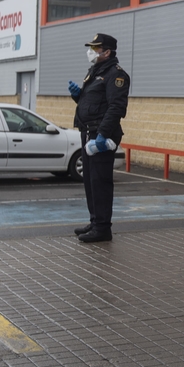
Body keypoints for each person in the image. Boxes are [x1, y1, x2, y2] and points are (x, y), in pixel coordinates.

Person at [69, 33, 130, 243]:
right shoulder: (95, 71)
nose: (92, 52)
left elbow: (116, 107)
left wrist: (103, 135)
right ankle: (95, 221)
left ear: (107, 52)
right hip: (88, 132)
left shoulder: (116, 75)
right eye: (92, 48)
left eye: (96, 49)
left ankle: (103, 228)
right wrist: (78, 95)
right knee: (90, 181)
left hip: (100, 136)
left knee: (100, 182)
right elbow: (93, 101)